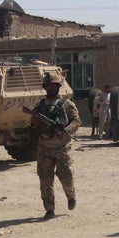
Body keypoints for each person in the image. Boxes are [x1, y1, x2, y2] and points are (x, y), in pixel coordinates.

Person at [29, 71, 81, 220]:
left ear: (58, 86)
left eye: (53, 85)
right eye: (47, 85)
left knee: (66, 175)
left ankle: (70, 195)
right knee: (45, 179)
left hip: (61, 147)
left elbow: (76, 121)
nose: (50, 88)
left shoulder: (66, 104)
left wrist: (65, 132)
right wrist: (35, 122)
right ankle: (49, 209)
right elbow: (32, 123)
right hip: (44, 147)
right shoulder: (40, 105)